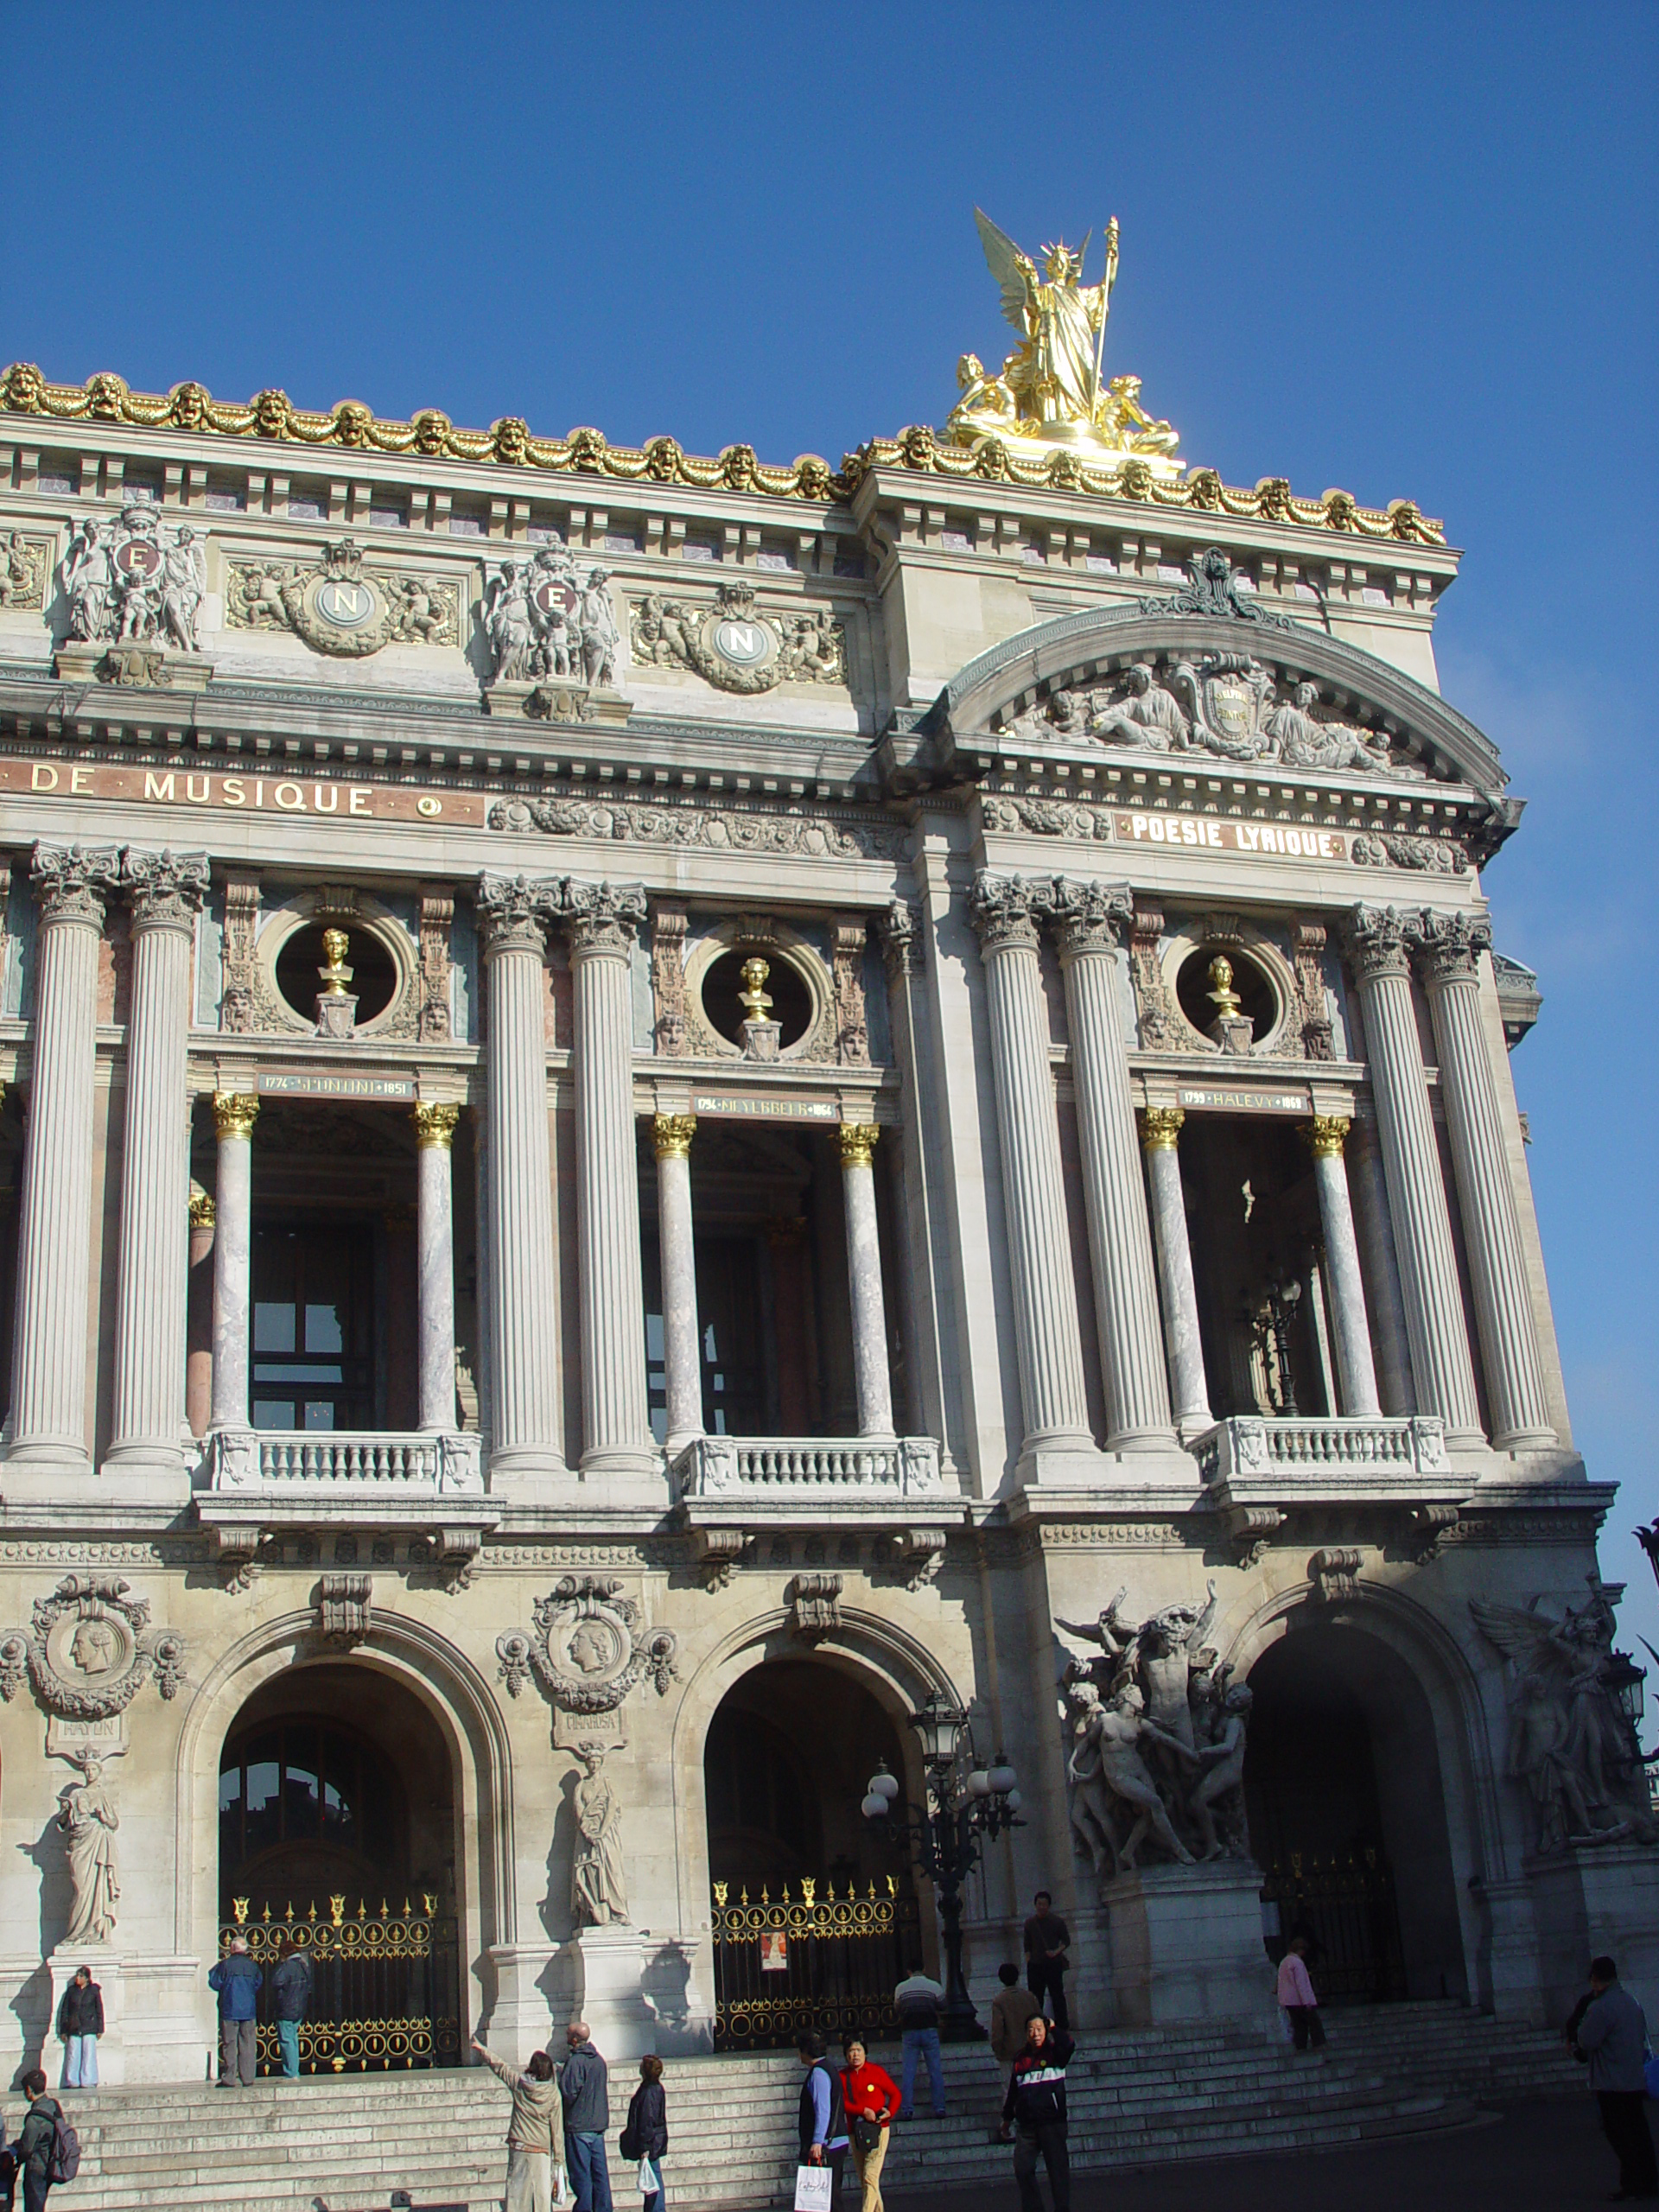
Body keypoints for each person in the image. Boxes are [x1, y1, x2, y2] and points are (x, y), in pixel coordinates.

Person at [1571, 1955, 1658, 2201]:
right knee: (1639, 2132)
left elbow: (1587, 2040)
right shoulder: (1631, 2002)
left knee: (1620, 2135)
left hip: (1611, 2081)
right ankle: (1649, 2181)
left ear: (1596, 1979)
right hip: (1633, 2077)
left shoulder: (1602, 2007)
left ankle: (1633, 2183)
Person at [473, 2034, 561, 2212]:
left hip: (520, 2146)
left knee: (517, 2194)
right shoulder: (553, 2095)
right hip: (541, 2150)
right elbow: (557, 2130)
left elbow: (501, 2068)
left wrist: (483, 2050)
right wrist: (559, 2159)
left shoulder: (520, 2085)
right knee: (541, 2198)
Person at [1001, 2013, 1074, 2212]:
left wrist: (1053, 2028)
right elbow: (1013, 2091)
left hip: (1052, 2122)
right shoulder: (1020, 2059)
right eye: (1032, 2030)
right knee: (1023, 2168)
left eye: (1039, 2029)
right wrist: (1007, 2119)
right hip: (1028, 2125)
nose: (1035, 2034)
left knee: (1058, 2171)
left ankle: (1062, 2208)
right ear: (1026, 2034)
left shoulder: (1056, 2054)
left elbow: (1068, 2044)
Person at [839, 2034, 899, 2212]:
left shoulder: (876, 2071)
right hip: (856, 2131)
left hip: (878, 2130)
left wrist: (890, 2111)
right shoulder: (842, 2076)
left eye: (858, 2050)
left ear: (865, 2052)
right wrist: (862, 2111)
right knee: (866, 2180)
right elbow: (840, 2103)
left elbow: (895, 2094)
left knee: (870, 2175)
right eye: (851, 2051)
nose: (855, 2055)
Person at [561, 2019, 612, 2212]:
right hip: (597, 2125)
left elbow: (568, 2092)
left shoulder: (576, 2062)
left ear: (575, 2040)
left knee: (582, 2177)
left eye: (568, 2034)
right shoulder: (598, 2060)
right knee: (600, 2177)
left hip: (579, 2126)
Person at [989, 1961, 1043, 2144]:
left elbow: (998, 2030)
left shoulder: (999, 2001)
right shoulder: (1030, 1997)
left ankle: (1009, 2129)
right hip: (1031, 2051)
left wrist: (998, 2048)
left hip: (1010, 2053)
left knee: (1009, 2090)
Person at [892, 1955, 946, 2120]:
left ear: (908, 1971)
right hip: (929, 2030)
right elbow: (943, 2005)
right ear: (923, 1969)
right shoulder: (934, 1986)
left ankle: (907, 2108)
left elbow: (897, 2008)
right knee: (935, 2070)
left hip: (909, 2032)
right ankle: (939, 2107)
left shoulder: (901, 1988)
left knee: (908, 2072)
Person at [797, 2031, 849, 2197]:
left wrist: (817, 2141)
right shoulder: (829, 2067)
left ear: (806, 2050)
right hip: (835, 2141)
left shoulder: (819, 2073)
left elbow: (823, 2108)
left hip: (827, 2145)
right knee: (829, 2196)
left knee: (826, 2198)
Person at [207, 1934, 264, 2088]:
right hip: (248, 2010)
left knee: (229, 2044)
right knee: (248, 2043)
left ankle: (229, 2077)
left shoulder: (225, 1965)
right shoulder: (252, 1965)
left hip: (230, 2009)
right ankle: (248, 2077)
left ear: (232, 1948)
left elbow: (215, 1982)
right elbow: (258, 1982)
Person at [623, 2052, 667, 2212]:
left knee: (653, 2181)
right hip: (654, 2140)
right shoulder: (655, 2089)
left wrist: (645, 2147)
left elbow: (647, 2121)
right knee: (652, 2179)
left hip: (650, 2143)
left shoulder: (649, 2092)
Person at [1023, 1893, 1071, 2034]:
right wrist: (1029, 1960)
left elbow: (1066, 1941)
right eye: (1039, 1904)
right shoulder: (1030, 1923)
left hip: (1053, 1963)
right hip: (1036, 1964)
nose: (1041, 1907)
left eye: (1044, 1904)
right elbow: (1027, 1945)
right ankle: (1036, 2024)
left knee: (1057, 1995)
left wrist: (1055, 1952)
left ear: (1048, 1906)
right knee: (1036, 1997)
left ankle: (1062, 2025)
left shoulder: (1057, 1922)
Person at [269, 1936, 313, 2081]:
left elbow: (276, 1981)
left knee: (287, 2040)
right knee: (292, 2039)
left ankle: (291, 2072)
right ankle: (294, 2070)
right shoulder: (303, 1965)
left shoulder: (288, 1966)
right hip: (299, 2008)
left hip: (287, 2008)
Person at [16, 2071, 60, 2212]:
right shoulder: (53, 2106)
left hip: (36, 2167)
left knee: (33, 2207)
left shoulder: (34, 2118)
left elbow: (26, 2149)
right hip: (51, 2162)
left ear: (29, 2090)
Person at [55, 1967, 103, 2091]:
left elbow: (99, 2009)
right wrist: (63, 2030)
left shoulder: (93, 1991)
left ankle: (89, 2080)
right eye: (77, 1976)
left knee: (89, 2053)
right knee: (73, 2053)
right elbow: (65, 2010)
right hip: (74, 2026)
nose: (78, 1978)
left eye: (81, 1976)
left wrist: (100, 2028)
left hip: (89, 2026)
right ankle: (72, 2080)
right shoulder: (71, 1991)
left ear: (87, 1978)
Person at [1276, 1935, 1325, 2052]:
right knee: (1314, 2023)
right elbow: (1301, 1984)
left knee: (1299, 2025)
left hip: (1289, 2001)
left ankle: (1300, 2046)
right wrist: (1307, 2002)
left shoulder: (1284, 1962)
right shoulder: (1297, 1963)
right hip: (1299, 2000)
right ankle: (1319, 2044)